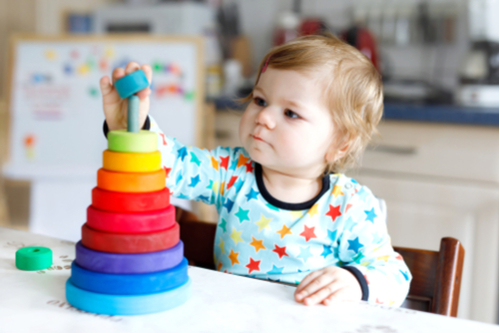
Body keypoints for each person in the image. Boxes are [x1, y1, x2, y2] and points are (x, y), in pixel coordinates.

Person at [99, 34, 411, 307]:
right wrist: (132, 126)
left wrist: (356, 282)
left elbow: (394, 274)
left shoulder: (351, 205)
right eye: (260, 100)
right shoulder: (231, 173)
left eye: (290, 113)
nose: (264, 117)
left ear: (340, 143)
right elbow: (172, 167)